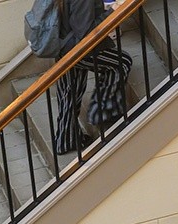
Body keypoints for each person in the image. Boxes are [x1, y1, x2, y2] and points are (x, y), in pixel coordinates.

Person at [54, 0, 134, 155]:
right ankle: (102, 111)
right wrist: (114, 12)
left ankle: (66, 139)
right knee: (121, 63)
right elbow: (85, 33)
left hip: (63, 44)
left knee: (69, 92)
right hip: (80, 49)